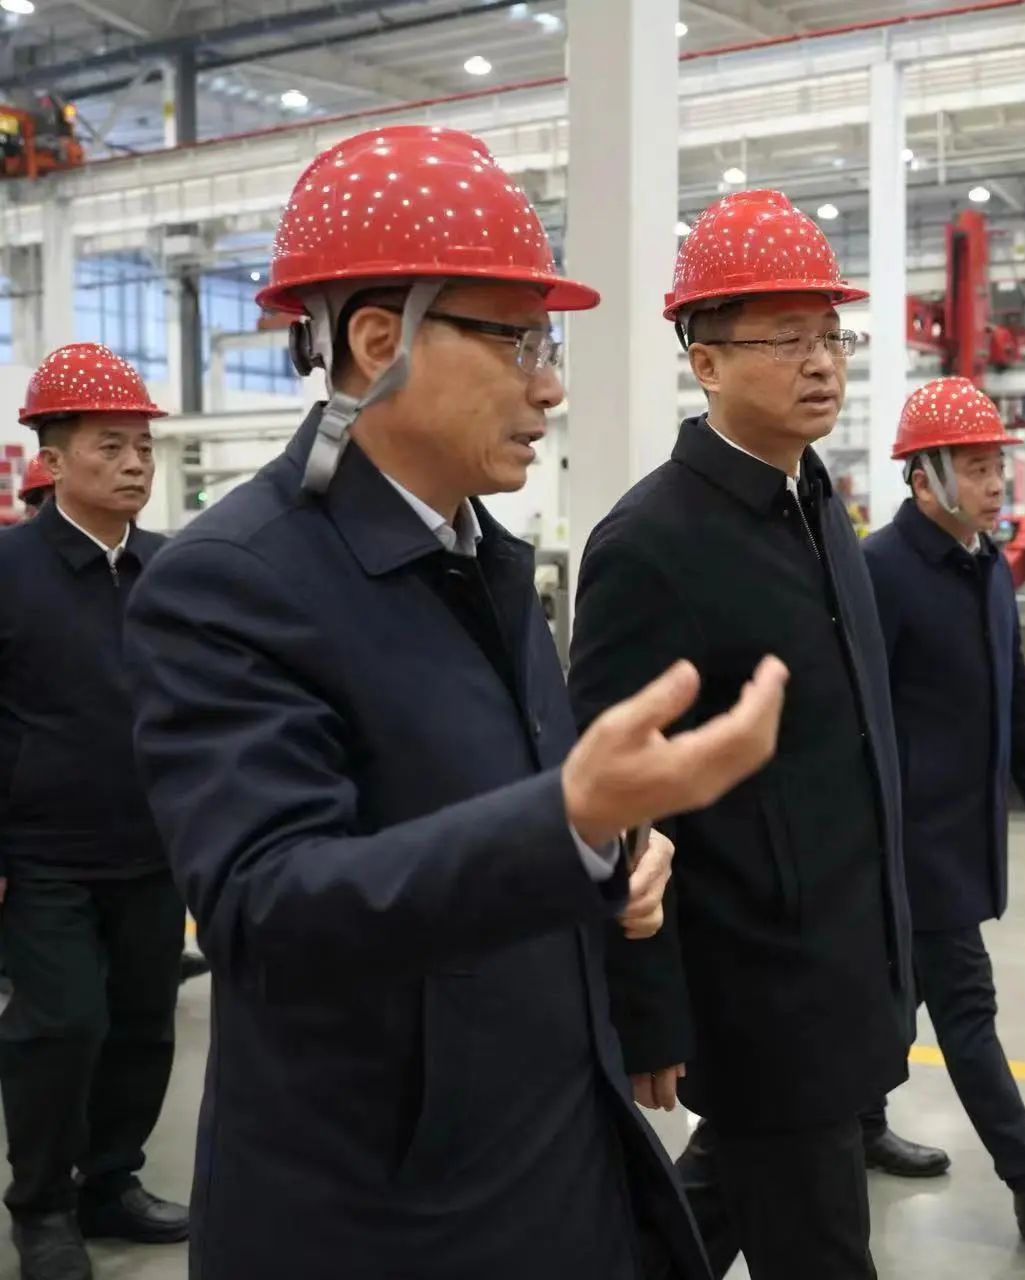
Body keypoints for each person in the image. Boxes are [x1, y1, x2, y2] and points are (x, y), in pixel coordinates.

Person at [120, 126, 785, 1280]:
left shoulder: (483, 559)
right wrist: (567, 821)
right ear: (381, 341)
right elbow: (269, 908)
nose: (550, 383)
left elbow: (492, 815)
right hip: (391, 1211)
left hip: (551, 1150)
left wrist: (611, 861)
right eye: (518, 338)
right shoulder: (231, 583)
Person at [569, 188, 913, 1280]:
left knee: (715, 1207)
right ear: (705, 361)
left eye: (832, 336)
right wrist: (647, 1005)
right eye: (785, 339)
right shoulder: (651, 543)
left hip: (846, 954)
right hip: (756, 983)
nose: (822, 364)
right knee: (822, 1245)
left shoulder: (817, 504)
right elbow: (617, 795)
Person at [857, 377, 1025, 1247]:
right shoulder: (879, 572)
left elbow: (1015, 683)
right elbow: (853, 713)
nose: (995, 484)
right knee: (965, 1006)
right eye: (974, 469)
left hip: (965, 831)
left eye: (997, 467)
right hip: (905, 840)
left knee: (890, 996)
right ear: (923, 478)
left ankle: (861, 1125)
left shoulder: (986, 564)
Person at [0, 342, 188, 1280]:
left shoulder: (173, 570)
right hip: (43, 856)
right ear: (53, 459)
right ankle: (41, 1207)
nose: (134, 466)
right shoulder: (10, 570)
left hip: (153, 847)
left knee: (143, 1025)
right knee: (62, 1026)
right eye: (110, 447)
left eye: (143, 448)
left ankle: (111, 1179)